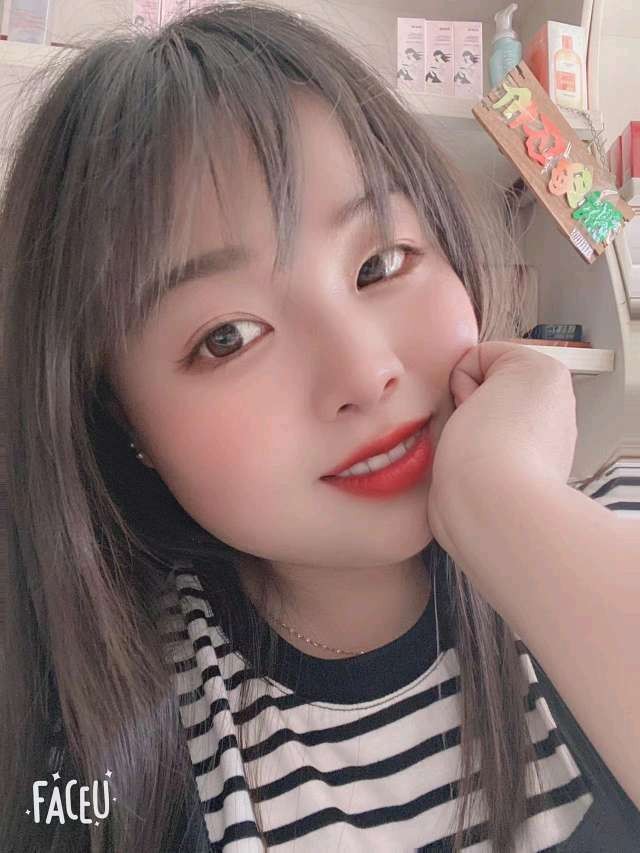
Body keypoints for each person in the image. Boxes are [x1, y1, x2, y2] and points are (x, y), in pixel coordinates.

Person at [0, 3, 638, 851]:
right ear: (121, 421)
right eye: (227, 337)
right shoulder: (101, 739)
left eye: (380, 263)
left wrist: (507, 507)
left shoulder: (612, 525)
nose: (365, 372)